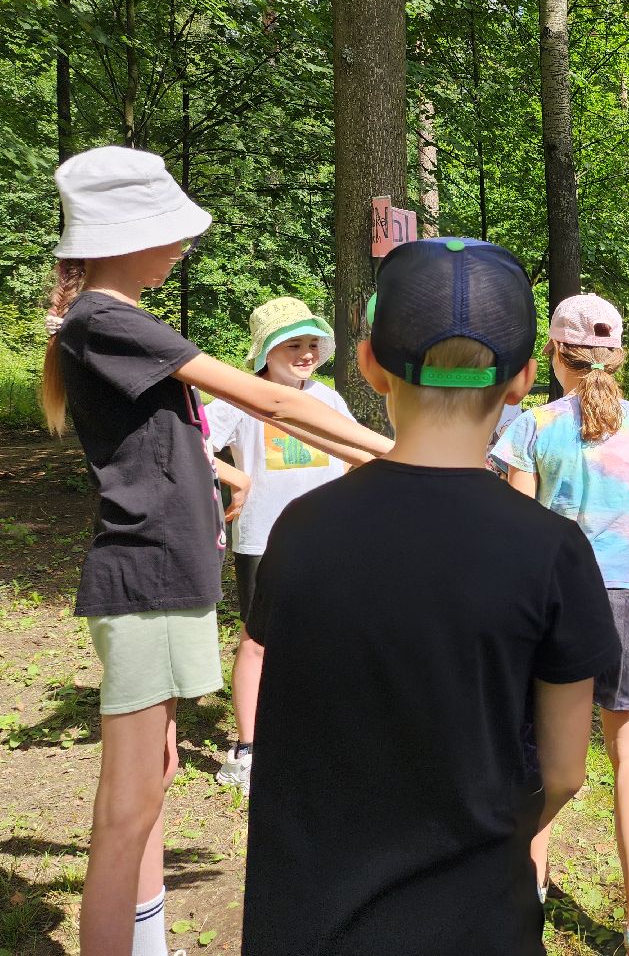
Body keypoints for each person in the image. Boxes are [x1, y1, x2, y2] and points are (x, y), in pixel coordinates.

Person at [42, 146, 392, 955]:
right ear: (121, 233)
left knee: (156, 778)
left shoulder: (111, 321)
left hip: (168, 576)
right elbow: (269, 398)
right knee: (126, 808)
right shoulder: (109, 319)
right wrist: (403, 452)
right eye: (169, 231)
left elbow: (174, 442)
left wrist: (224, 477)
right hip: (148, 580)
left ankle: (148, 938)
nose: (181, 247)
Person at [242, 239, 620, 954]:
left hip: (307, 922)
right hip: (476, 922)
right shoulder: (551, 551)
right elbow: (566, 770)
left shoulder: (300, 530)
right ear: (523, 381)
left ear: (368, 366)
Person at [492, 294, 629, 956]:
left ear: (553, 356)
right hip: (622, 602)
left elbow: (518, 538)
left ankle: (520, 895)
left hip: (552, 605)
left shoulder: (530, 429)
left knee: (539, 759)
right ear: (617, 356)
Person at [205, 297, 352, 794]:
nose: (306, 353)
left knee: (326, 639)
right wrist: (233, 476)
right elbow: (191, 440)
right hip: (263, 539)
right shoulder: (242, 397)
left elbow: (355, 452)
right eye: (293, 344)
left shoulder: (330, 400)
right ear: (267, 351)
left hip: (328, 541)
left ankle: (312, 736)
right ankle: (247, 748)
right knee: (258, 641)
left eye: (313, 344)